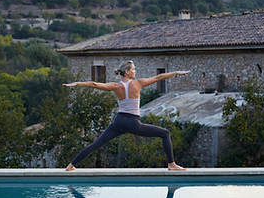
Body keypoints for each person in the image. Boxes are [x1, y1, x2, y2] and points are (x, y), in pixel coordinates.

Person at [63, 60, 191, 171]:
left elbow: (95, 84)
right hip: (132, 122)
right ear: (127, 71)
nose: (135, 71)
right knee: (165, 133)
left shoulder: (116, 86)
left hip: (118, 121)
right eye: (133, 69)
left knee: (95, 144)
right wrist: (176, 73)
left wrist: (77, 83)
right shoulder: (138, 83)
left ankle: (71, 165)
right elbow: (158, 77)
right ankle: (172, 164)